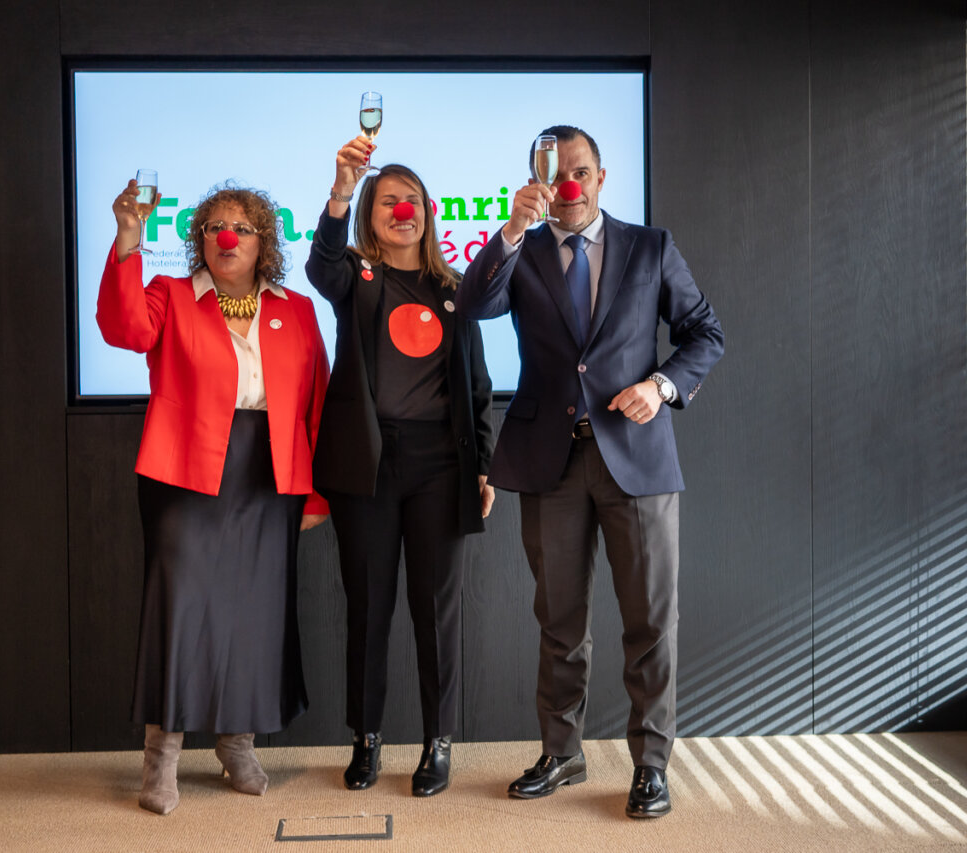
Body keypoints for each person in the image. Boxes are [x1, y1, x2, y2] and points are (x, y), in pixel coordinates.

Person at [457, 126, 723, 819]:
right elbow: (473, 308)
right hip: (551, 460)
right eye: (554, 174)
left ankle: (652, 764)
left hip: (636, 457)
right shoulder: (523, 249)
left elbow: (704, 333)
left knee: (650, 621)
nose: (568, 185)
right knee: (559, 619)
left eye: (579, 171)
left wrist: (661, 386)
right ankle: (562, 749)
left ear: (601, 177)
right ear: (537, 183)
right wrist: (511, 231)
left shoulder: (650, 246)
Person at [97, 180, 330, 816]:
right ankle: (162, 756)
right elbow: (121, 329)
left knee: (256, 610)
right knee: (180, 608)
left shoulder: (298, 310)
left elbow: (315, 406)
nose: (227, 237)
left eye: (243, 228)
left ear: (263, 244)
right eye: (214, 226)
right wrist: (127, 238)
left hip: (270, 471)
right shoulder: (170, 296)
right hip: (183, 469)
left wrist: (312, 495)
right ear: (200, 239)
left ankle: (238, 743)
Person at [305, 138, 495, 798]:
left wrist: (485, 466)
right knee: (368, 605)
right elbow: (320, 263)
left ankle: (438, 742)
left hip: (440, 465)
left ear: (430, 212)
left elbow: (478, 385)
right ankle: (367, 739)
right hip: (367, 464)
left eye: (411, 200)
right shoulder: (355, 279)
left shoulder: (456, 290)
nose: (402, 209)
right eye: (388, 200)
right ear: (370, 214)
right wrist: (339, 188)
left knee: (434, 610)